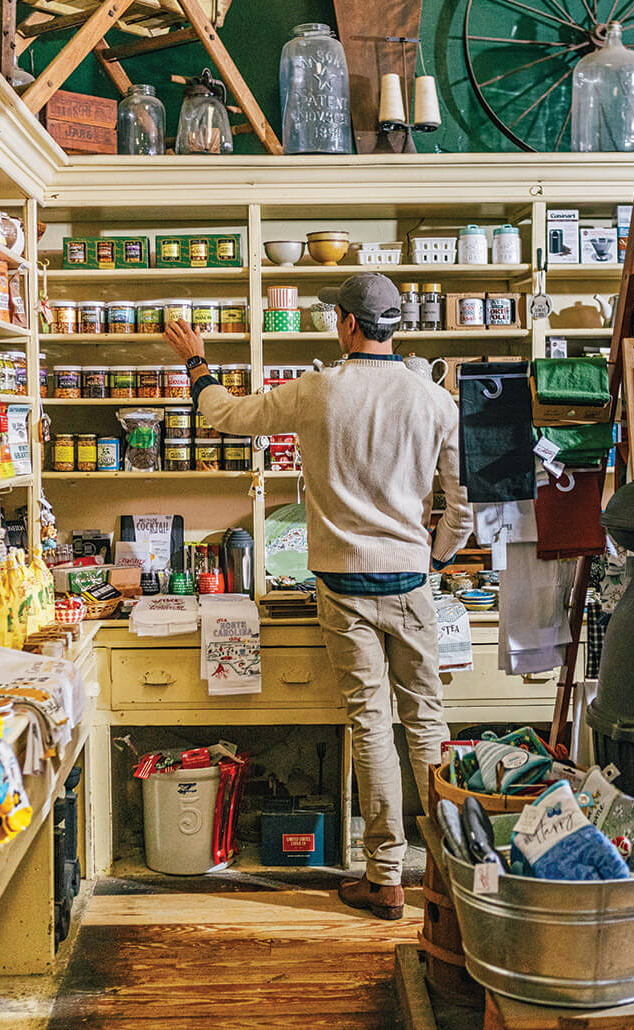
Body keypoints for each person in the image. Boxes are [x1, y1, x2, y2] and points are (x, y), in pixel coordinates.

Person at [164, 272, 472, 920]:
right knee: (428, 726)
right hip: (411, 582)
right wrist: (430, 557)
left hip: (343, 588)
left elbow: (224, 414)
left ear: (347, 323)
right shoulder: (435, 400)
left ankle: (385, 877)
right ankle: (451, 877)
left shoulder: (317, 391)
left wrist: (195, 361)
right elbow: (461, 510)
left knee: (370, 725)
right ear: (395, 325)